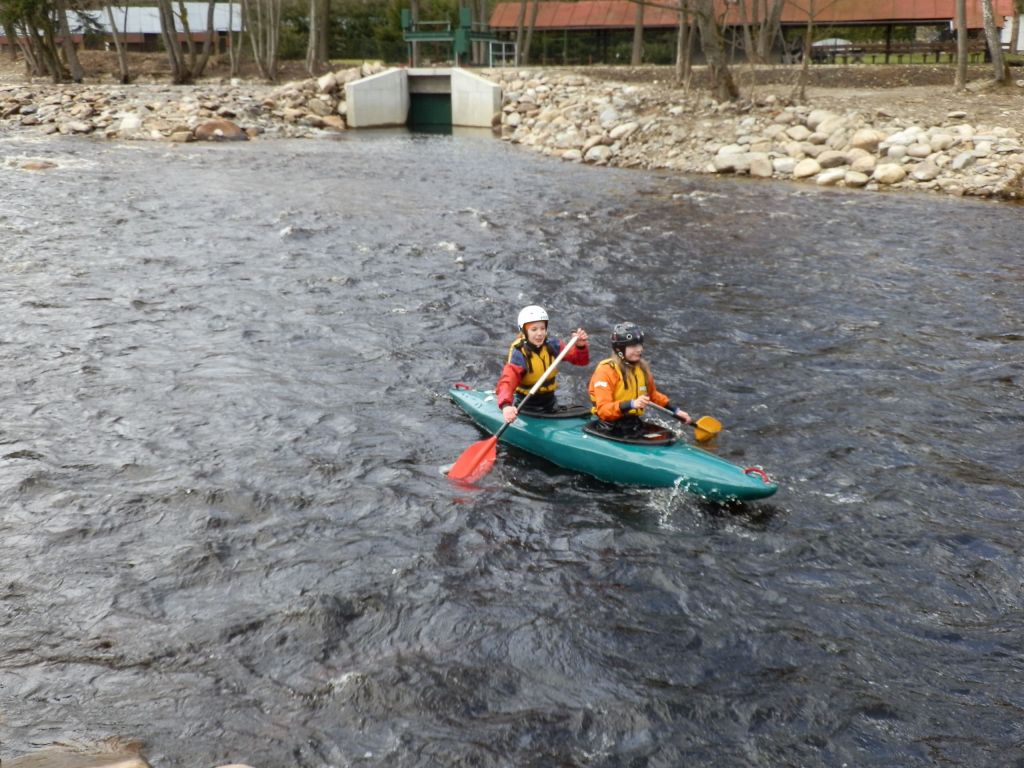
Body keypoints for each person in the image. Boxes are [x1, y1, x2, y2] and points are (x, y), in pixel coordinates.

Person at [588, 322, 690, 437]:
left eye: (640, 345)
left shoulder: (642, 369)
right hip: (609, 427)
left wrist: (675, 411)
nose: (639, 349)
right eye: (633, 346)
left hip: (632, 424)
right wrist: (631, 404)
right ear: (619, 349)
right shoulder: (606, 371)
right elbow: (603, 410)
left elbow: (652, 395)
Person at [496, 305, 590, 423]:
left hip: (550, 402)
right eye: (534, 329)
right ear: (524, 331)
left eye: (542, 328)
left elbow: (580, 361)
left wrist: (580, 346)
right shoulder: (519, 353)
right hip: (527, 405)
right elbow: (507, 382)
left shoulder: (552, 345)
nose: (540, 333)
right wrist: (506, 405)